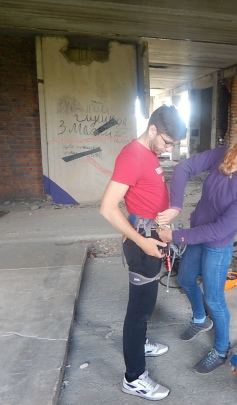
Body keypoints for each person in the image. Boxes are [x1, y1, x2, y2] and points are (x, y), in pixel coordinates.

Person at [156, 119, 237, 374]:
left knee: (214, 298)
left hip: (217, 245)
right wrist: (175, 206)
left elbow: (220, 229)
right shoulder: (223, 155)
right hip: (196, 234)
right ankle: (200, 319)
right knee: (185, 279)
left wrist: (175, 236)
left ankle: (221, 350)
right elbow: (183, 168)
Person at [99, 105, 187, 400]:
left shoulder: (149, 152)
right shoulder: (132, 156)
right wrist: (141, 241)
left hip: (153, 237)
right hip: (143, 243)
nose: (169, 150)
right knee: (138, 312)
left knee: (147, 303)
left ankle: (141, 343)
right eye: (168, 143)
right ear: (152, 130)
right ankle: (134, 378)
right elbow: (107, 207)